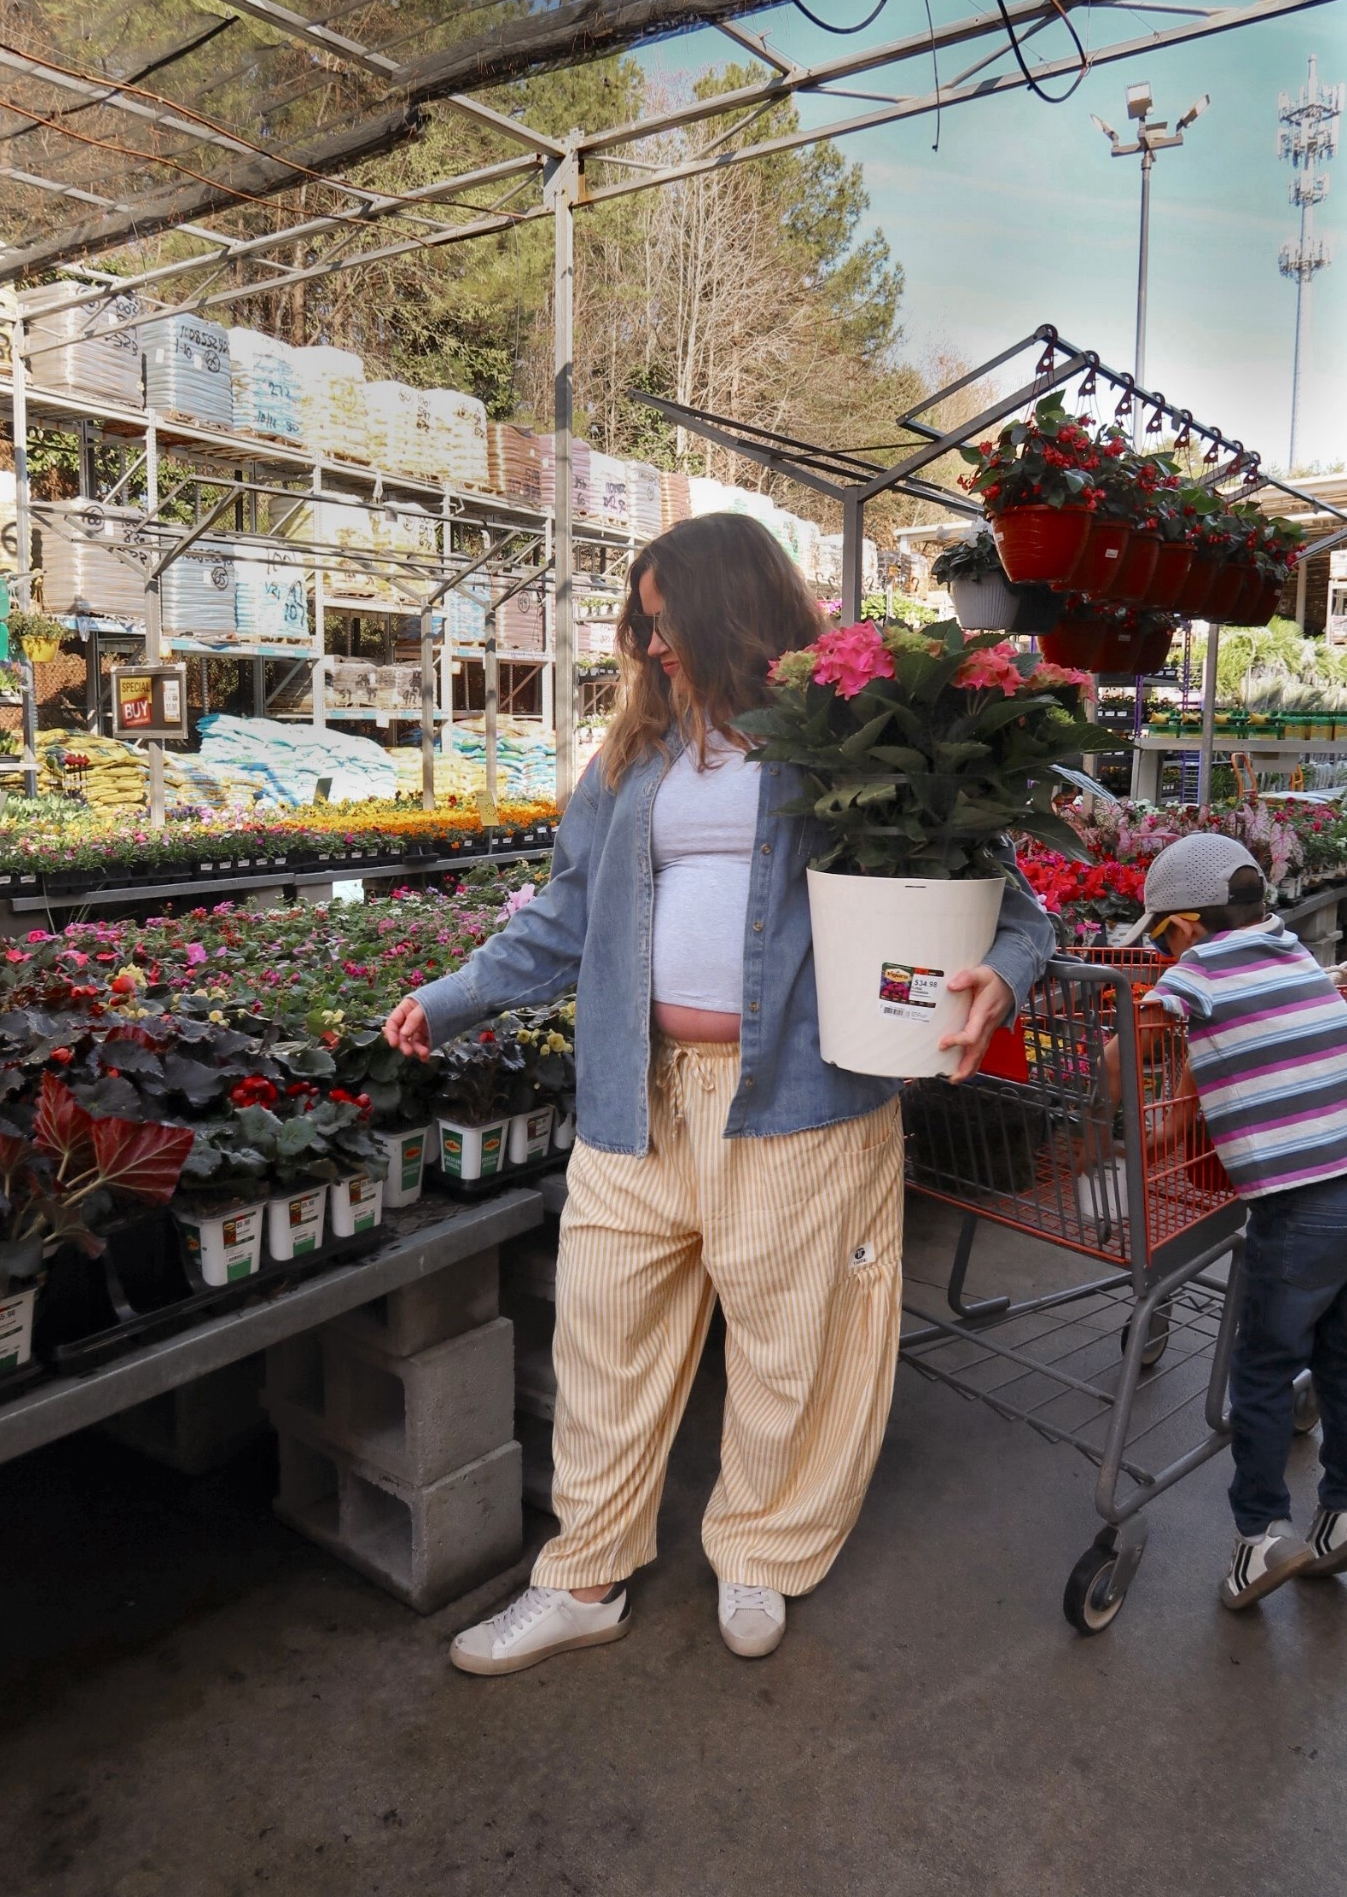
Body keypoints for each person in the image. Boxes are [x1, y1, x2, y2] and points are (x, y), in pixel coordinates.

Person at [384, 513, 1054, 1673]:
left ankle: (759, 1548)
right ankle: (585, 1573)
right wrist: (452, 996)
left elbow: (997, 895)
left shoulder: (849, 745)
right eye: (639, 625)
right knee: (603, 1331)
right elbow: (564, 914)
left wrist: (999, 969)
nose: (651, 648)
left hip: (797, 1095)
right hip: (636, 1093)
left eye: (665, 620)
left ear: (731, 611)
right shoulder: (630, 761)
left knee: (791, 1335)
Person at [1115, 831, 1347, 1609]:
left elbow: (1133, 1038)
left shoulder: (1197, 970)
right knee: (1338, 1354)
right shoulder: (1289, 950)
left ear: (1179, 928)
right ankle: (1339, 1517)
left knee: (1262, 1367)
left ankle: (1259, 1537)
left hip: (1298, 1200)